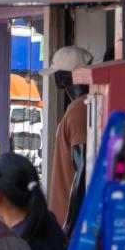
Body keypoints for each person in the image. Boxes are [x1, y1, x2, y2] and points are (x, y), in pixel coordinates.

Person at [45, 46, 94, 227]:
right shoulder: (80, 107)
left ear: (63, 77)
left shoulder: (79, 110)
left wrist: (69, 224)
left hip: (68, 222)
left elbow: (81, 171)